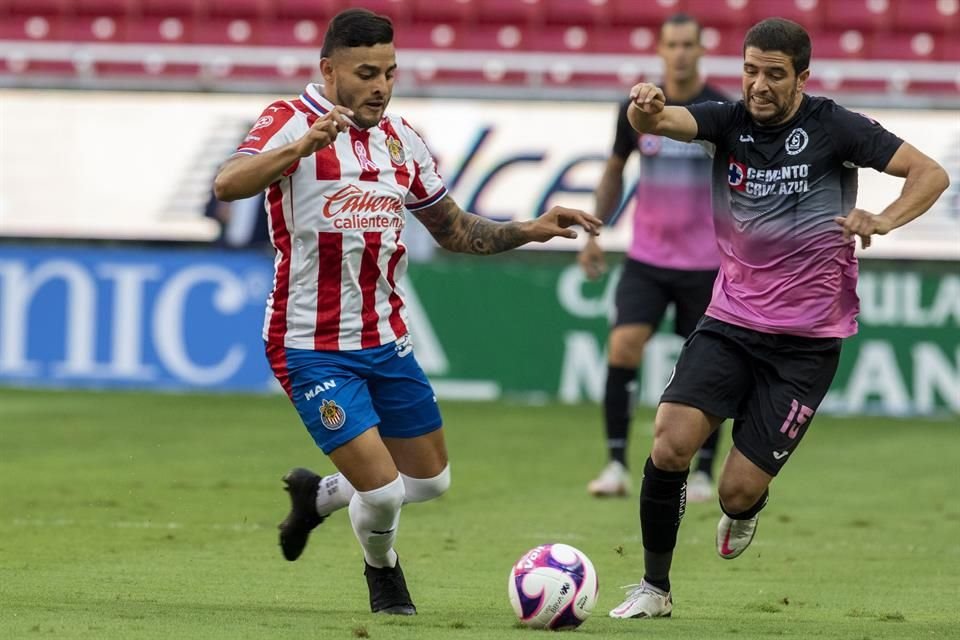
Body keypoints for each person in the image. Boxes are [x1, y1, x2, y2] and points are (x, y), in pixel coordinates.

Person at [213, 8, 601, 616]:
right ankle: (384, 574)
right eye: (367, 73)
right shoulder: (289, 120)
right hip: (309, 344)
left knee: (430, 481)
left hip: (385, 339)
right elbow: (228, 182)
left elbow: (452, 229)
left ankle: (317, 499)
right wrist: (297, 149)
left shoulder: (402, 140)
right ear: (329, 70)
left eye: (390, 72)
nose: (381, 86)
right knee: (387, 493)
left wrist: (531, 228)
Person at [608, 17, 949, 620]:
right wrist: (645, 107)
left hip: (807, 344)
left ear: (801, 77)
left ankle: (744, 511)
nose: (758, 86)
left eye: (773, 74)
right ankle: (654, 589)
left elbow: (931, 173)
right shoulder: (727, 121)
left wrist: (886, 219)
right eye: (749, 71)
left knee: (738, 490)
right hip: (731, 321)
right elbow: (657, 123)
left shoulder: (835, 127)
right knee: (669, 442)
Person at [581, 13, 727, 503]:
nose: (681, 52)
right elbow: (615, 169)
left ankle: (704, 470)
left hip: (707, 263)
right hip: (647, 258)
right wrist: (595, 230)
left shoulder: (721, 110)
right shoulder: (636, 109)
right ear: (661, 50)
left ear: (701, 49)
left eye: (689, 44)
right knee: (622, 347)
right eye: (673, 44)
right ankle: (616, 464)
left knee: (709, 367)